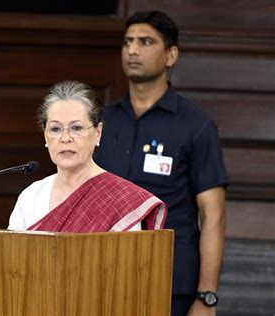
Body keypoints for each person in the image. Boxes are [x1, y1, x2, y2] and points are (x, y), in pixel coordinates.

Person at [94, 10, 229, 316]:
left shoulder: (196, 126)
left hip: (169, 282)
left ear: (171, 55)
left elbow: (213, 216)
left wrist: (206, 296)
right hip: (101, 276)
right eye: (127, 42)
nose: (132, 50)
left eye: (145, 42)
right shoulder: (101, 122)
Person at [8, 80, 167, 233]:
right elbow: (13, 257)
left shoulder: (121, 199)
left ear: (98, 132)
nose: (65, 138)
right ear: (45, 135)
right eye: (55, 129)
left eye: (76, 128)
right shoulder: (31, 197)